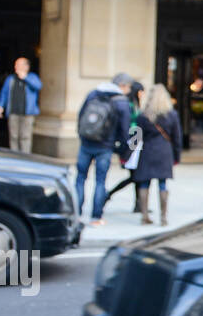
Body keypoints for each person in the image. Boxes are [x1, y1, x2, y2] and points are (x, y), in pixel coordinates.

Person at [76, 72, 133, 225]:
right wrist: (122, 148)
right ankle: (96, 216)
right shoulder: (122, 102)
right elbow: (124, 129)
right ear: (122, 85)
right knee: (100, 181)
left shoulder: (93, 94)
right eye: (129, 87)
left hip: (86, 143)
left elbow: (81, 116)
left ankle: (77, 213)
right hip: (105, 146)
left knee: (80, 178)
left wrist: (82, 137)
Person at [130, 84, 183, 226]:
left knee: (144, 183)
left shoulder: (143, 115)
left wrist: (129, 152)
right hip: (164, 152)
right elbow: (177, 138)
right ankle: (163, 217)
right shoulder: (171, 115)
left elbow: (136, 136)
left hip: (147, 151)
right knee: (162, 184)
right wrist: (177, 156)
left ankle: (144, 216)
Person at [100, 81, 145, 214]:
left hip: (135, 142)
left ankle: (139, 205)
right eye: (141, 91)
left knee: (137, 176)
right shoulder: (130, 106)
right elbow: (132, 127)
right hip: (133, 143)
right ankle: (108, 195)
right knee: (135, 176)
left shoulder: (133, 105)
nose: (142, 94)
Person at [0, 56, 42, 153]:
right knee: (13, 136)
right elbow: (4, 93)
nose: (16, 66)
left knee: (25, 136)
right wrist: (0, 106)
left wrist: (25, 78)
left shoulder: (32, 77)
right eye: (16, 64)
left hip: (27, 113)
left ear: (26, 67)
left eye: (19, 64)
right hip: (13, 112)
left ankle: (25, 157)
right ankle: (14, 156)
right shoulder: (11, 79)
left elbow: (38, 86)